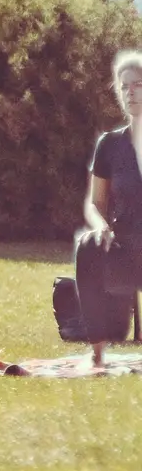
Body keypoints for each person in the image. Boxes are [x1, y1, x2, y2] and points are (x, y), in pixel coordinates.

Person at [75, 50, 142, 368]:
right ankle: (98, 351)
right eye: (125, 86)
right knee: (86, 244)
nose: (131, 92)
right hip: (126, 249)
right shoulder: (110, 145)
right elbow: (94, 202)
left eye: (139, 85)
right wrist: (100, 227)